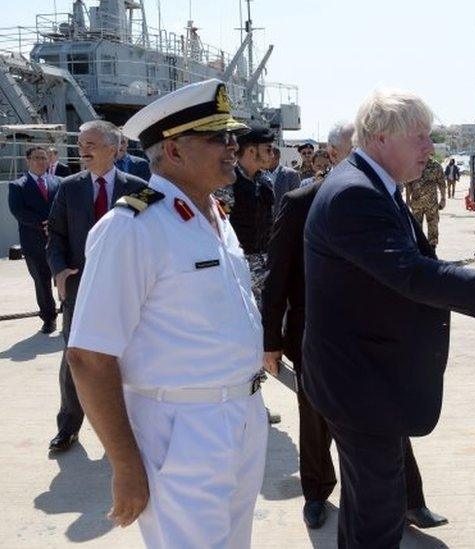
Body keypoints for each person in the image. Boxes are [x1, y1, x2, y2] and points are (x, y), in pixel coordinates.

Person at [303, 88, 475, 548]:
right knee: (378, 518)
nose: (430, 148)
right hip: (358, 383)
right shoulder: (355, 194)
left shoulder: (372, 185)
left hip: (363, 379)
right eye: (420, 137)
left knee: (369, 510)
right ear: (381, 139)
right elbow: (413, 275)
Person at [67, 78, 267, 548]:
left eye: (232, 136)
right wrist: (125, 463)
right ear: (174, 151)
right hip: (182, 429)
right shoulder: (132, 228)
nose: (233, 146)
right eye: (218, 137)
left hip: (242, 414)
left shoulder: (213, 215)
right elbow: (89, 357)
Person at [263, 134, 447, 532]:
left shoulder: (386, 197)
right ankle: (316, 495)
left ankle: (411, 501)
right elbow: (277, 275)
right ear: (334, 154)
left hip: (376, 337)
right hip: (316, 334)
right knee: (315, 420)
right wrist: (270, 341)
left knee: (388, 419)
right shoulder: (301, 203)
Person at [46, 120, 147, 453]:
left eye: (90, 143)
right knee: (75, 357)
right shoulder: (69, 187)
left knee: (127, 357)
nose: (83, 150)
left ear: (113, 148)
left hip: (124, 289)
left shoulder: (138, 188)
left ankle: (125, 429)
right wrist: (59, 270)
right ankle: (68, 426)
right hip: (79, 288)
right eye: (80, 145)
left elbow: (147, 237)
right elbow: (56, 237)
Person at [218, 126, 276, 311]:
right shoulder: (229, 181)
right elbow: (220, 226)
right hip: (239, 266)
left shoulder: (265, 180)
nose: (272, 154)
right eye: (267, 149)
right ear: (252, 151)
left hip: (266, 264)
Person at [8, 146, 59, 334]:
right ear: (27, 160)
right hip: (34, 243)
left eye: (44, 158)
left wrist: (57, 224)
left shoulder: (58, 182)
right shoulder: (17, 186)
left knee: (65, 278)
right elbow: (18, 212)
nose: (41, 161)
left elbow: (64, 206)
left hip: (59, 240)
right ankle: (48, 318)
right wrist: (43, 224)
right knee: (42, 281)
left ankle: (68, 313)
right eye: (37, 158)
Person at [404, 156, 447, 249]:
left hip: (432, 204)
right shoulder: (413, 164)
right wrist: (407, 201)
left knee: (433, 226)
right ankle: (419, 250)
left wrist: (443, 199)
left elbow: (442, 183)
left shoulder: (435, 166)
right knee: (416, 228)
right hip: (416, 204)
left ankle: (432, 250)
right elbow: (408, 185)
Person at [267, 144, 301, 214]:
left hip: (283, 219)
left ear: (277, 157)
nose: (265, 158)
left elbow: (297, 199)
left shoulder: (291, 174)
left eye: (269, 156)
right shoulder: (259, 173)